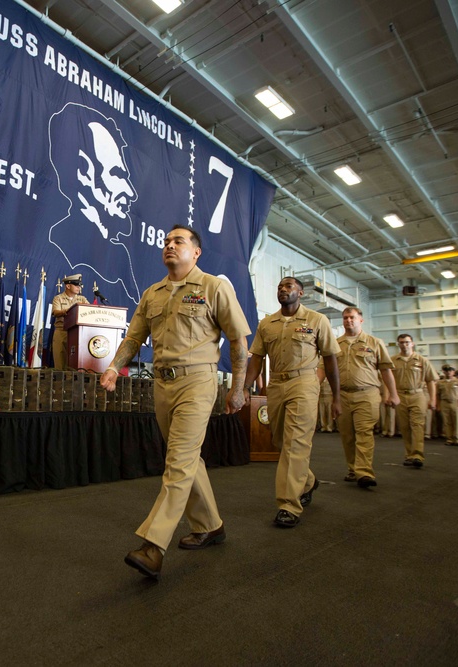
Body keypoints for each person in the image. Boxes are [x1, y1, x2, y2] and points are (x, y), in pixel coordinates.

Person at [100, 225, 249, 580]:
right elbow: (133, 337)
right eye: (166, 242)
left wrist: (239, 387)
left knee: (179, 461)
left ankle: (153, 546)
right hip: (162, 386)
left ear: (196, 252)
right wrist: (112, 368)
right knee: (186, 457)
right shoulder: (153, 293)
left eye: (178, 241)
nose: (169, 245)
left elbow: (239, 340)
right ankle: (211, 525)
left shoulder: (214, 287)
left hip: (197, 382)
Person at [243, 277, 341, 528]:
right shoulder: (267, 324)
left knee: (296, 442)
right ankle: (307, 481)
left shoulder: (317, 320)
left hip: (304, 383)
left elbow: (330, 361)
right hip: (277, 384)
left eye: (288, 287)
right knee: (280, 441)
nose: (283, 290)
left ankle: (289, 504)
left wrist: (337, 397)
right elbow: (256, 359)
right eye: (279, 287)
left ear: (301, 292)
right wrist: (243, 388)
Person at [48, 103, 140, 304]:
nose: (131, 193)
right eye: (117, 174)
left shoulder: (120, 258)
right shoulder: (59, 242)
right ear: (83, 171)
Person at [318, 307, 397, 488]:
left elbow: (385, 370)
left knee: (364, 432)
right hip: (342, 395)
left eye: (352, 317)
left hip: (367, 394)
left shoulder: (375, 343)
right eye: (345, 318)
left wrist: (392, 393)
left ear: (361, 320)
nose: (348, 321)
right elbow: (323, 369)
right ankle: (353, 469)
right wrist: (313, 388)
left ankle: (364, 472)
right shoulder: (335, 345)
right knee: (347, 435)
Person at [391, 334, 438, 468]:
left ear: (412, 344)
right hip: (400, 395)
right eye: (401, 342)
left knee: (417, 425)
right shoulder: (393, 361)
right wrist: (390, 395)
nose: (404, 345)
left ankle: (417, 455)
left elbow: (430, 381)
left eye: (407, 342)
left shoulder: (422, 360)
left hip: (417, 395)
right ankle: (409, 455)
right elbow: (388, 379)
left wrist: (432, 399)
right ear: (398, 344)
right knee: (404, 427)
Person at [50, 274, 89, 370]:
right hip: (61, 331)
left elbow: (89, 310)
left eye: (79, 285)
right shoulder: (58, 298)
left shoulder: (82, 299)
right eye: (76, 285)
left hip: (77, 333)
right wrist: (70, 310)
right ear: (68, 286)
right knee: (60, 362)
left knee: (76, 362)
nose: (78, 287)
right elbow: (56, 312)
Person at [436, 365, 458, 446]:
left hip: (456, 402)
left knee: (457, 421)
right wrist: (438, 405)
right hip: (444, 403)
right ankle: (449, 438)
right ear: (443, 372)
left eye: (450, 370)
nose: (448, 372)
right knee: (447, 421)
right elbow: (437, 395)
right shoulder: (440, 382)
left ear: (454, 372)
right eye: (446, 371)